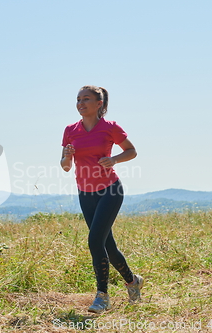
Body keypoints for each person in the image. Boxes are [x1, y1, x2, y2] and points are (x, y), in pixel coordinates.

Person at [60, 85, 144, 313]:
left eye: (86, 99)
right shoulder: (70, 130)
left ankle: (102, 297)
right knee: (108, 245)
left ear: (99, 103)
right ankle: (132, 281)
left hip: (110, 190)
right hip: (85, 193)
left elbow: (131, 150)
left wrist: (114, 159)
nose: (80, 103)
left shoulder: (110, 127)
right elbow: (66, 166)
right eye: (78, 99)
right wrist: (67, 157)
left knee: (95, 241)